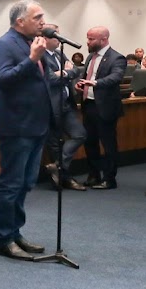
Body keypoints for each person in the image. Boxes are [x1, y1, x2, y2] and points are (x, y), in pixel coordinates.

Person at [0, 0, 50, 261]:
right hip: (16, 127)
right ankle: (3, 239)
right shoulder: (3, 44)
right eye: (37, 17)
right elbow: (3, 79)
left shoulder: (30, 43)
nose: (42, 21)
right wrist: (32, 59)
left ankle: (15, 232)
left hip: (36, 125)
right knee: (12, 184)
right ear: (20, 21)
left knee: (26, 184)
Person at [77, 26, 127, 189]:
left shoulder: (117, 58)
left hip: (105, 107)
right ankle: (94, 175)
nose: (88, 41)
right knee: (90, 143)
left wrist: (96, 83)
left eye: (91, 39)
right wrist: (81, 85)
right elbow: (87, 77)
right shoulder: (91, 56)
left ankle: (109, 178)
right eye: (88, 38)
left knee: (108, 144)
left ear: (104, 39)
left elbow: (116, 77)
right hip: (89, 104)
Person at [42, 25, 86, 191]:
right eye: (55, 36)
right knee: (54, 143)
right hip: (50, 105)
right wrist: (65, 73)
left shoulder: (59, 53)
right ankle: (64, 178)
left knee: (79, 134)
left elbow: (76, 70)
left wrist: (64, 73)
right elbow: (50, 79)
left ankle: (57, 166)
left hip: (66, 103)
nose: (59, 38)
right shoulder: (41, 56)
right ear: (45, 38)